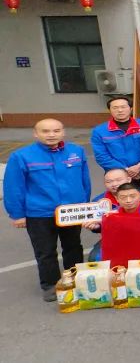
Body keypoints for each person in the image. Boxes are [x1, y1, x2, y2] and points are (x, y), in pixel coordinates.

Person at [3, 119, 92, 301]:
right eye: (45, 131)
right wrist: (17, 214)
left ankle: (76, 279)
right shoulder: (21, 156)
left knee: (73, 247)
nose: (51, 135)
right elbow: (13, 187)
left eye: (56, 130)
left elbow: (84, 180)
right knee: (45, 251)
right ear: (36, 134)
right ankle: (51, 285)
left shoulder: (76, 151)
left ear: (63, 132)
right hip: (39, 213)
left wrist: (84, 206)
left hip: (71, 211)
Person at [84, 183, 140, 261]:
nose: (128, 200)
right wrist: (98, 226)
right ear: (117, 199)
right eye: (123, 197)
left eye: (132, 196)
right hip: (123, 241)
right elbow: (110, 231)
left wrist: (113, 219)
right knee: (97, 257)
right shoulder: (115, 211)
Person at [90, 97, 140, 192]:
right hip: (118, 178)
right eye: (115, 108)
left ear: (131, 108)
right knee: (122, 200)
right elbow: (102, 157)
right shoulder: (100, 131)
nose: (120, 110)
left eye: (123, 107)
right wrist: (126, 170)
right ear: (109, 110)